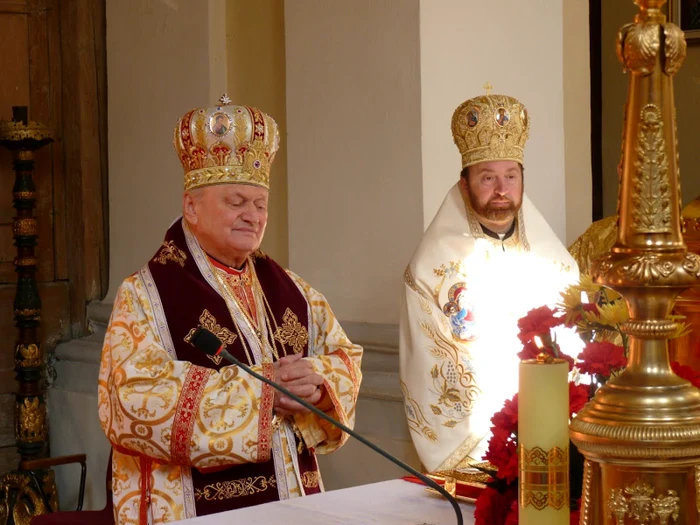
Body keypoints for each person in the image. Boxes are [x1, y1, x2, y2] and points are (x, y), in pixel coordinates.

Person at [98, 97, 363, 524]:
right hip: (191, 506)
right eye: (237, 202)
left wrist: (316, 385)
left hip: (291, 501)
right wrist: (263, 393)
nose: (252, 216)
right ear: (191, 207)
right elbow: (131, 402)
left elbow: (344, 359)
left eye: (260, 204)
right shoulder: (146, 295)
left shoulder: (293, 289)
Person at [399, 91, 579, 474]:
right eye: (488, 178)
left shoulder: (557, 264)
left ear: (522, 181)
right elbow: (431, 371)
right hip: (478, 450)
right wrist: (498, 436)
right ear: (464, 185)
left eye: (510, 177)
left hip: (553, 439)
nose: (501, 189)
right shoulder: (431, 270)